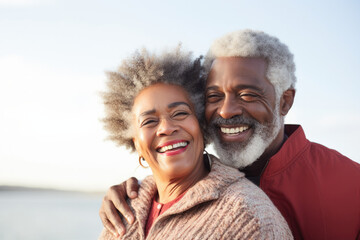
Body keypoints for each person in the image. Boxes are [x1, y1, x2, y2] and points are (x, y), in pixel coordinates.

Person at [100, 30, 360, 239]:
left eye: (247, 95)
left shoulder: (351, 186)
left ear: (285, 101)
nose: (225, 111)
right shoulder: (138, 201)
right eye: (214, 96)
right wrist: (137, 193)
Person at [98, 46, 292, 239]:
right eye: (149, 121)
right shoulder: (124, 208)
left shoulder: (250, 216)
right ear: (136, 143)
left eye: (180, 113)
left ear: (201, 124)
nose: (166, 128)